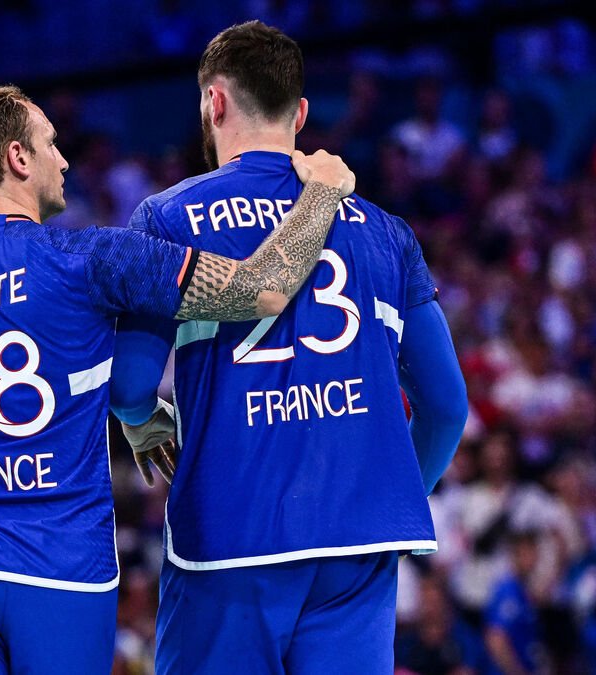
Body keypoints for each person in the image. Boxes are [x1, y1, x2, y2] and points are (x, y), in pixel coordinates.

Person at [0, 84, 355, 674]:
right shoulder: (92, 260)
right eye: (51, 144)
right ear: (18, 158)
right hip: (55, 566)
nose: (63, 160)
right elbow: (264, 289)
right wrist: (320, 194)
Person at [108, 21, 469, 673]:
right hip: (358, 546)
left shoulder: (170, 217)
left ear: (213, 103)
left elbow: (130, 384)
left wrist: (140, 421)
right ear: (300, 113)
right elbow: (445, 405)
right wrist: (391, 491)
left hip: (231, 536)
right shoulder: (386, 232)